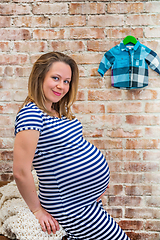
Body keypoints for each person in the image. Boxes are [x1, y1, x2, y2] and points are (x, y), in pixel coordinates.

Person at [13, 52, 130, 240]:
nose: (62, 86)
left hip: (83, 201)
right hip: (69, 205)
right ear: (40, 76)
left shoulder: (55, 109)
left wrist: (93, 188)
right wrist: (37, 210)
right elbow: (20, 171)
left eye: (67, 81)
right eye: (56, 78)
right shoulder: (31, 115)